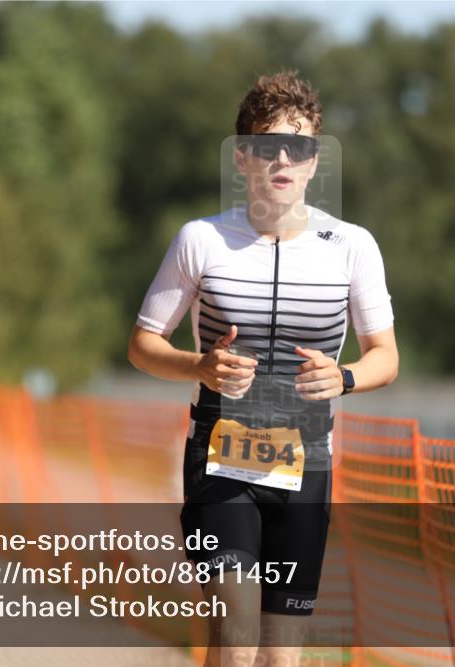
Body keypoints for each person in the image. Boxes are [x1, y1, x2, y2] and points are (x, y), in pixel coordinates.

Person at [128, 71, 398, 667]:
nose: (283, 159)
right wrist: (199, 366)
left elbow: (386, 355)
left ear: (313, 161)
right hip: (220, 457)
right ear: (242, 156)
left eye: (297, 147)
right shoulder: (201, 240)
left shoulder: (352, 246)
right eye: (268, 145)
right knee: (238, 631)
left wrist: (345, 377)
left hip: (308, 464)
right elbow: (143, 345)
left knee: (281, 656)